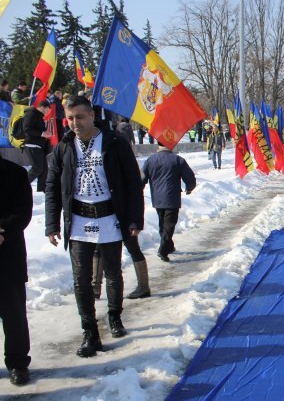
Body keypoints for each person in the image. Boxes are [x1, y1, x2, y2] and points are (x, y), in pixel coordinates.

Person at [45, 96, 144, 357]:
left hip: (110, 218)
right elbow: (52, 187)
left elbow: (134, 183)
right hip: (78, 221)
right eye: (69, 118)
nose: (75, 123)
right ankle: (90, 332)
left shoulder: (114, 143)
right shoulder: (64, 147)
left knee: (113, 271)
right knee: (81, 280)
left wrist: (135, 219)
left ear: (91, 116)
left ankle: (114, 316)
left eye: (79, 117)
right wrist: (51, 223)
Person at [0, 157, 33, 385]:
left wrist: (3, 230)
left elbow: (23, 212)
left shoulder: (15, 173)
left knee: (14, 316)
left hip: (7, 255)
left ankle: (18, 363)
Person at [142, 141, 196, 264]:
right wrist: (189, 188)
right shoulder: (178, 160)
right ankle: (163, 250)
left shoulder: (150, 160)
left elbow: (141, 178)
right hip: (172, 198)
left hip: (157, 199)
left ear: (158, 145)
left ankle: (169, 245)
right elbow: (190, 178)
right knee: (169, 225)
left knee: (163, 223)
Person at [22, 101, 52, 192]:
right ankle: (20, 184)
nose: (47, 112)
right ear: (42, 107)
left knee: (44, 169)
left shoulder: (38, 116)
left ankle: (43, 189)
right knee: (37, 168)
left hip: (38, 145)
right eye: (47, 110)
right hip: (31, 144)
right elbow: (27, 129)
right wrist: (42, 133)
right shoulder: (31, 114)